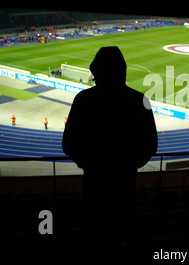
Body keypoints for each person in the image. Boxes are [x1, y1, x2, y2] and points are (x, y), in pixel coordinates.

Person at [62, 46, 158, 245]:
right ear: (123, 70)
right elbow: (151, 145)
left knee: (92, 224)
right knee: (123, 224)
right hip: (125, 176)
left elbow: (68, 143)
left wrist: (86, 162)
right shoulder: (140, 100)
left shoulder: (83, 99)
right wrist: (132, 163)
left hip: (93, 175)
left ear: (96, 71)